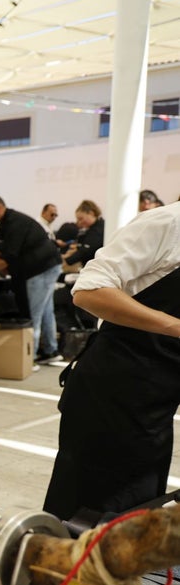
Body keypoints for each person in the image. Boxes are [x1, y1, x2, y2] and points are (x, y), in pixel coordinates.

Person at [42, 202, 180, 521]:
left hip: (156, 405)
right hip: (112, 396)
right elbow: (90, 290)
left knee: (136, 518)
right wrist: (175, 326)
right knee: (87, 521)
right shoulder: (167, 223)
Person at [0, 194, 63, 365]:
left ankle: (29, 358)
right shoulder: (7, 223)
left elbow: (9, 255)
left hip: (41, 269)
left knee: (35, 315)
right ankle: (51, 350)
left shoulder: (15, 223)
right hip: (45, 267)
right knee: (46, 311)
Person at [61, 199, 105, 270]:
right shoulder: (92, 228)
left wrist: (66, 262)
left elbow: (85, 251)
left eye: (81, 219)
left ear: (91, 213)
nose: (79, 222)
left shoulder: (98, 230)